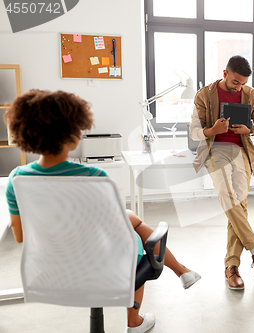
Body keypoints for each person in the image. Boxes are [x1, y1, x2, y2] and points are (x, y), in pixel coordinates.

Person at [4, 90, 201, 333]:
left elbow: (22, 236)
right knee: (137, 236)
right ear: (73, 135)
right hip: (101, 268)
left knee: (130, 219)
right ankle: (136, 321)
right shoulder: (94, 177)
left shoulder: (16, 179)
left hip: (51, 272)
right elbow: (114, 232)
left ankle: (181, 272)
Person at [189, 55, 254, 290]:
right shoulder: (204, 95)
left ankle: (231, 266)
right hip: (216, 150)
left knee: (238, 203)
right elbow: (194, 131)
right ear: (225, 73)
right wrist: (213, 129)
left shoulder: (251, 95)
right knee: (227, 194)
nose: (239, 87)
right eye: (235, 82)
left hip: (241, 150)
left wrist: (250, 130)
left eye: (242, 83)